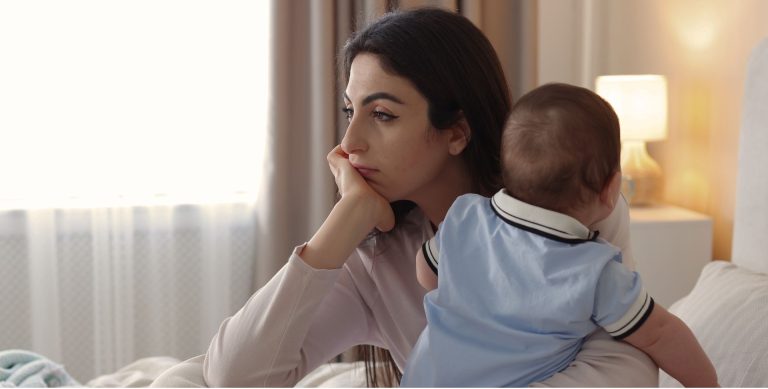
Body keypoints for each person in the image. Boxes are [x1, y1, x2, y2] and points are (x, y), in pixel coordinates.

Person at [151, 8, 659, 387]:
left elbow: (628, 366)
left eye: (383, 115)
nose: (349, 144)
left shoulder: (571, 211)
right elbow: (234, 378)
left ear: (456, 132)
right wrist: (342, 224)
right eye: (351, 111)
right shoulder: (375, 258)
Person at [402, 83, 718, 387]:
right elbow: (660, 333)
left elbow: (425, 273)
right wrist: (708, 384)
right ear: (610, 189)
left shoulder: (466, 214)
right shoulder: (596, 271)